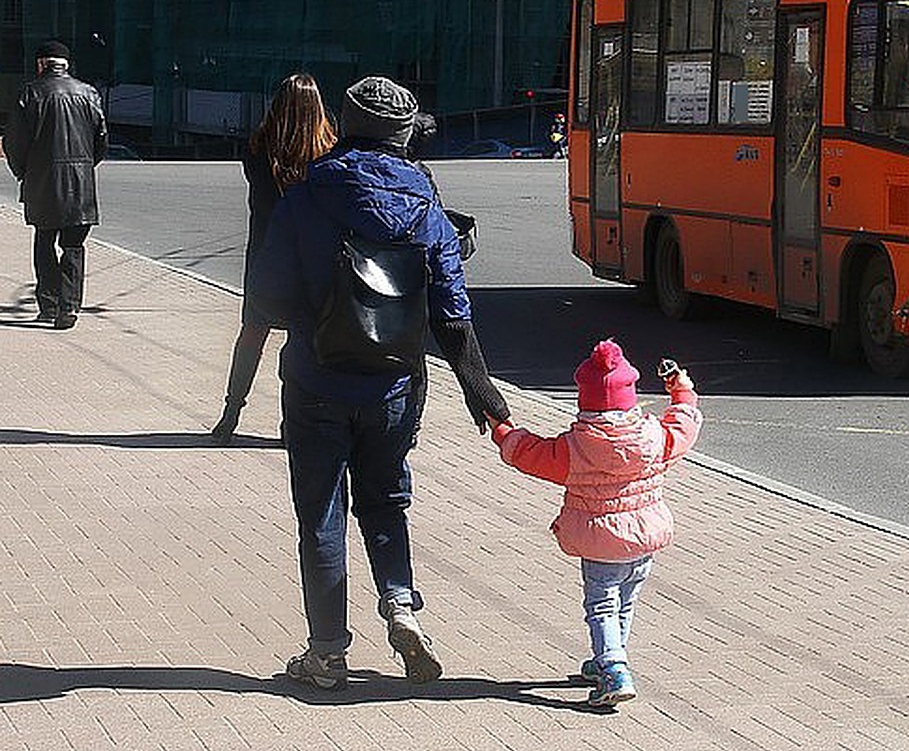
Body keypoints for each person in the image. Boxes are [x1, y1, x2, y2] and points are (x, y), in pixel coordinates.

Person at [247, 75, 510, 691]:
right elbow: (452, 312)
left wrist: (317, 316)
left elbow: (266, 296)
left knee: (321, 513)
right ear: (404, 135)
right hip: (395, 387)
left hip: (316, 380)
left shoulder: (307, 193)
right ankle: (399, 606)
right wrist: (483, 392)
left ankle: (328, 653)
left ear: (345, 122)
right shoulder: (426, 205)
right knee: (387, 500)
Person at [486, 341, 701, 708]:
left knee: (601, 604)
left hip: (601, 543)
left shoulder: (575, 447)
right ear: (630, 397)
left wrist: (503, 429)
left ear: (583, 400)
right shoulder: (653, 437)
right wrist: (682, 389)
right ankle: (609, 658)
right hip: (644, 540)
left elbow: (529, 454)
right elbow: (683, 426)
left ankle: (614, 669)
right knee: (625, 601)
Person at [211, 73, 337, 444]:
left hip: (266, 258)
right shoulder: (327, 153)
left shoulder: (255, 149)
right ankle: (290, 424)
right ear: (317, 108)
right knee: (303, 341)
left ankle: (230, 415)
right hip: (312, 261)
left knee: (251, 335)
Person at [4, 40, 108, 329]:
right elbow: (101, 140)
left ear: (41, 64)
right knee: (74, 246)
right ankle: (69, 308)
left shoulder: (30, 93)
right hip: (80, 186)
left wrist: (23, 172)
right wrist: (85, 168)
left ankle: (48, 306)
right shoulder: (88, 93)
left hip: (42, 183)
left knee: (45, 241)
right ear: (65, 65)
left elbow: (14, 142)